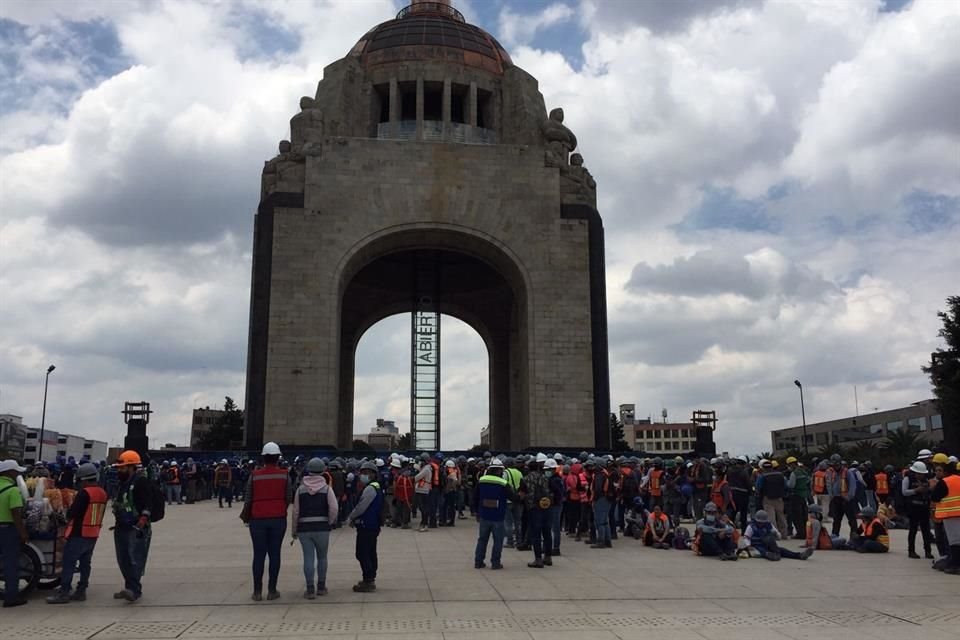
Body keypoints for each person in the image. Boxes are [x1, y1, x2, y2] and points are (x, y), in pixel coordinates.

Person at [45, 462, 106, 603]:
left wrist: (65, 516)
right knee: (85, 563)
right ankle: (81, 591)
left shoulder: (84, 493)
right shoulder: (102, 493)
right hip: (93, 533)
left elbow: (73, 513)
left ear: (83, 480)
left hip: (79, 533)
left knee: (68, 563)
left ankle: (64, 593)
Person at [240, 442, 290, 601]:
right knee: (275, 554)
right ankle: (272, 590)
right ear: (278, 457)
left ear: (263, 457)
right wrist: (279, 507)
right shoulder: (284, 475)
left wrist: (247, 515)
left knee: (258, 555)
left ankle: (257, 592)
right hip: (278, 519)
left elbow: (248, 498)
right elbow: (288, 497)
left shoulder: (254, 475)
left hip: (257, 520)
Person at [291, 458, 338, 598]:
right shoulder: (327, 489)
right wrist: (329, 522)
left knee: (308, 558)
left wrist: (294, 530)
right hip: (322, 527)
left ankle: (310, 588)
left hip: (304, 528)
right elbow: (334, 508)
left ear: (308, 470)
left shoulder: (300, 490)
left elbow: (295, 512)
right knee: (322, 557)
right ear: (323, 471)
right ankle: (321, 587)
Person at [111, 450, 153, 602]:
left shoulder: (141, 482)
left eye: (122, 468)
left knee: (135, 559)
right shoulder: (122, 483)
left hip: (136, 527)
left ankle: (134, 590)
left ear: (131, 467)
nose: (119, 470)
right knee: (123, 559)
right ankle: (130, 587)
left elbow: (149, 502)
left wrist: (143, 518)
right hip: (121, 526)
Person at [348, 461, 384, 592]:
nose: (363, 475)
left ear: (373, 474)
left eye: (366, 473)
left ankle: (368, 580)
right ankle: (370, 578)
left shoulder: (370, 488)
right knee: (370, 552)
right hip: (372, 524)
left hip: (367, 525)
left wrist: (351, 517)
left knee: (362, 553)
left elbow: (361, 506)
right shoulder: (376, 486)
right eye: (362, 472)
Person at [473, 458, 515, 569]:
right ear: (498, 470)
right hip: (498, 516)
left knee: (482, 539)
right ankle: (495, 563)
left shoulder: (481, 480)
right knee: (498, 541)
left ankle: (478, 562)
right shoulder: (503, 483)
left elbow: (475, 498)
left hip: (484, 515)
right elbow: (513, 497)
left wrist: (477, 512)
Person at [0, 460, 29, 608]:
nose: (18, 474)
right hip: (7, 530)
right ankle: (11, 597)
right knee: (10, 563)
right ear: (9, 472)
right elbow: (16, 514)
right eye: (16, 471)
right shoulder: (13, 490)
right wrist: (23, 533)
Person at [929, 456, 960, 573]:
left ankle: (954, 565)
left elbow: (935, 497)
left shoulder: (945, 482)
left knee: (954, 541)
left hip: (950, 514)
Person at [742, 510, 812, 561]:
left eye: (763, 522)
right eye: (759, 522)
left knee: (782, 550)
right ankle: (770, 555)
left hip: (768, 544)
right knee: (761, 551)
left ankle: (799, 555)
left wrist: (777, 535)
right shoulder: (751, 526)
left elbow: (776, 532)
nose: (761, 524)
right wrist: (748, 545)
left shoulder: (768, 525)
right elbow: (746, 537)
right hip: (757, 545)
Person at [901, 460, 935, 559]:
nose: (921, 475)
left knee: (926, 530)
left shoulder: (926, 480)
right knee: (913, 530)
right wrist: (916, 490)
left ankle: (928, 551)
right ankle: (911, 551)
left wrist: (928, 490)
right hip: (913, 507)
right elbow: (904, 492)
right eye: (919, 473)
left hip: (924, 507)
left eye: (922, 474)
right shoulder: (907, 479)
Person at [755, 459, 788, 535]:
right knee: (781, 516)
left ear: (763, 468)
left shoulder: (762, 476)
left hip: (767, 498)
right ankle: (784, 533)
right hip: (779, 498)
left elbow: (758, 487)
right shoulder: (780, 474)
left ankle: (774, 533)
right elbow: (785, 485)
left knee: (771, 517)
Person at [591, 457, 615, 549]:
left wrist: (594, 499)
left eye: (594, 465)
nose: (593, 466)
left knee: (600, 521)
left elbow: (597, 489)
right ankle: (607, 541)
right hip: (607, 499)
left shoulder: (599, 475)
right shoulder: (605, 474)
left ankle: (601, 541)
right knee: (605, 521)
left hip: (601, 499)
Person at [785, 457, 810, 539]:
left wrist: (786, 481)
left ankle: (800, 534)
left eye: (789, 465)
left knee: (797, 516)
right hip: (804, 495)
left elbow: (791, 485)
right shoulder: (803, 471)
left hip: (796, 496)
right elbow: (808, 481)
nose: (788, 467)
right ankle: (806, 532)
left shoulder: (794, 473)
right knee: (804, 516)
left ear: (792, 464)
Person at [545, 458, 564, 555]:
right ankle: (552, 547)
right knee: (553, 527)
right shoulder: (556, 479)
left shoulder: (554, 480)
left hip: (555, 505)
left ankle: (556, 548)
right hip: (555, 505)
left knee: (555, 527)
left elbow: (558, 493)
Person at [503, 457, 524, 548]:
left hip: (508, 500)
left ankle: (510, 541)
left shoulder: (505, 473)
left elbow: (503, 485)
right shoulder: (519, 472)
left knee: (508, 523)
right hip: (518, 499)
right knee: (518, 522)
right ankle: (519, 541)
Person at [393, 460, 414, 529]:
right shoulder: (410, 474)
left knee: (398, 509)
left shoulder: (398, 475)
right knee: (406, 510)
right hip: (407, 495)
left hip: (399, 494)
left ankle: (394, 523)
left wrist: (395, 494)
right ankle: (405, 524)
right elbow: (413, 485)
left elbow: (395, 485)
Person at [414, 457, 432, 532]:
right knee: (422, 508)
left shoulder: (426, 469)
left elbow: (416, 478)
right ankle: (422, 524)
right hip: (421, 490)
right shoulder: (425, 468)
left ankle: (425, 524)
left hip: (423, 490)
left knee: (423, 508)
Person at [442, 459, 460, 526]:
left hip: (450, 492)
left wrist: (448, 489)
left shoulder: (451, 473)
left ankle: (450, 521)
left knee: (449, 507)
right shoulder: (453, 472)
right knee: (450, 507)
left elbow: (454, 482)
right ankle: (450, 521)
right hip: (451, 492)